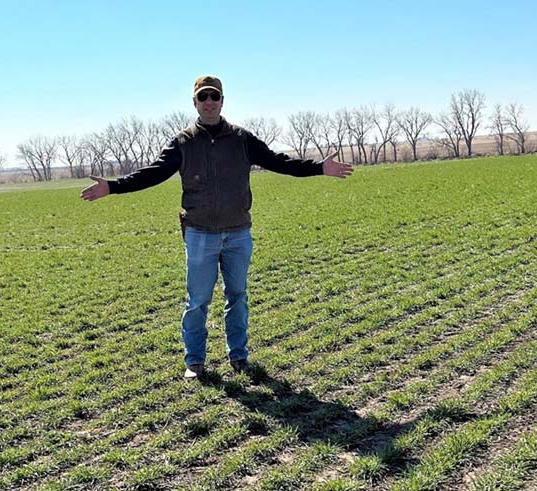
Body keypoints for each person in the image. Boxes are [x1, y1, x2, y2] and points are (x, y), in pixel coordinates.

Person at [81, 75, 353, 379]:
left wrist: (318, 168)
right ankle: (194, 361)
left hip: (238, 233)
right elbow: (153, 174)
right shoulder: (183, 142)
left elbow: (280, 162)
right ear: (194, 102)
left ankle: (239, 356)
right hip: (200, 235)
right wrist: (114, 187)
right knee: (197, 301)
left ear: (222, 101)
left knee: (237, 295)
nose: (209, 102)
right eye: (203, 98)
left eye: (214, 97)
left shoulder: (241, 138)